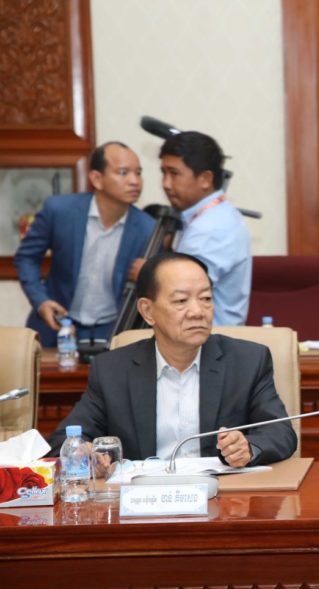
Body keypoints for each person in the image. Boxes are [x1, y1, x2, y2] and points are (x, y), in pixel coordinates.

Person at [47, 252, 297, 466]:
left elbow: (280, 432)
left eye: (206, 299)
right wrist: (86, 453)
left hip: (222, 498)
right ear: (147, 311)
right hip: (144, 500)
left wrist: (248, 447)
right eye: (181, 301)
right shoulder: (113, 370)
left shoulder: (247, 361)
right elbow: (64, 441)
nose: (197, 312)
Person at [14, 142, 155, 347]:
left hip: (112, 331)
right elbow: (26, 257)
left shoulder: (147, 228)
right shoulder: (59, 210)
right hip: (57, 324)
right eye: (123, 173)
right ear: (96, 179)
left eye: (138, 173)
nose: (135, 181)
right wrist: (41, 300)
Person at [160, 131, 251, 326]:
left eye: (174, 174)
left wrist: (145, 273)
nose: (166, 184)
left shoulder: (210, 229)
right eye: (163, 173)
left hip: (208, 340)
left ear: (205, 179)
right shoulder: (213, 216)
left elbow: (182, 293)